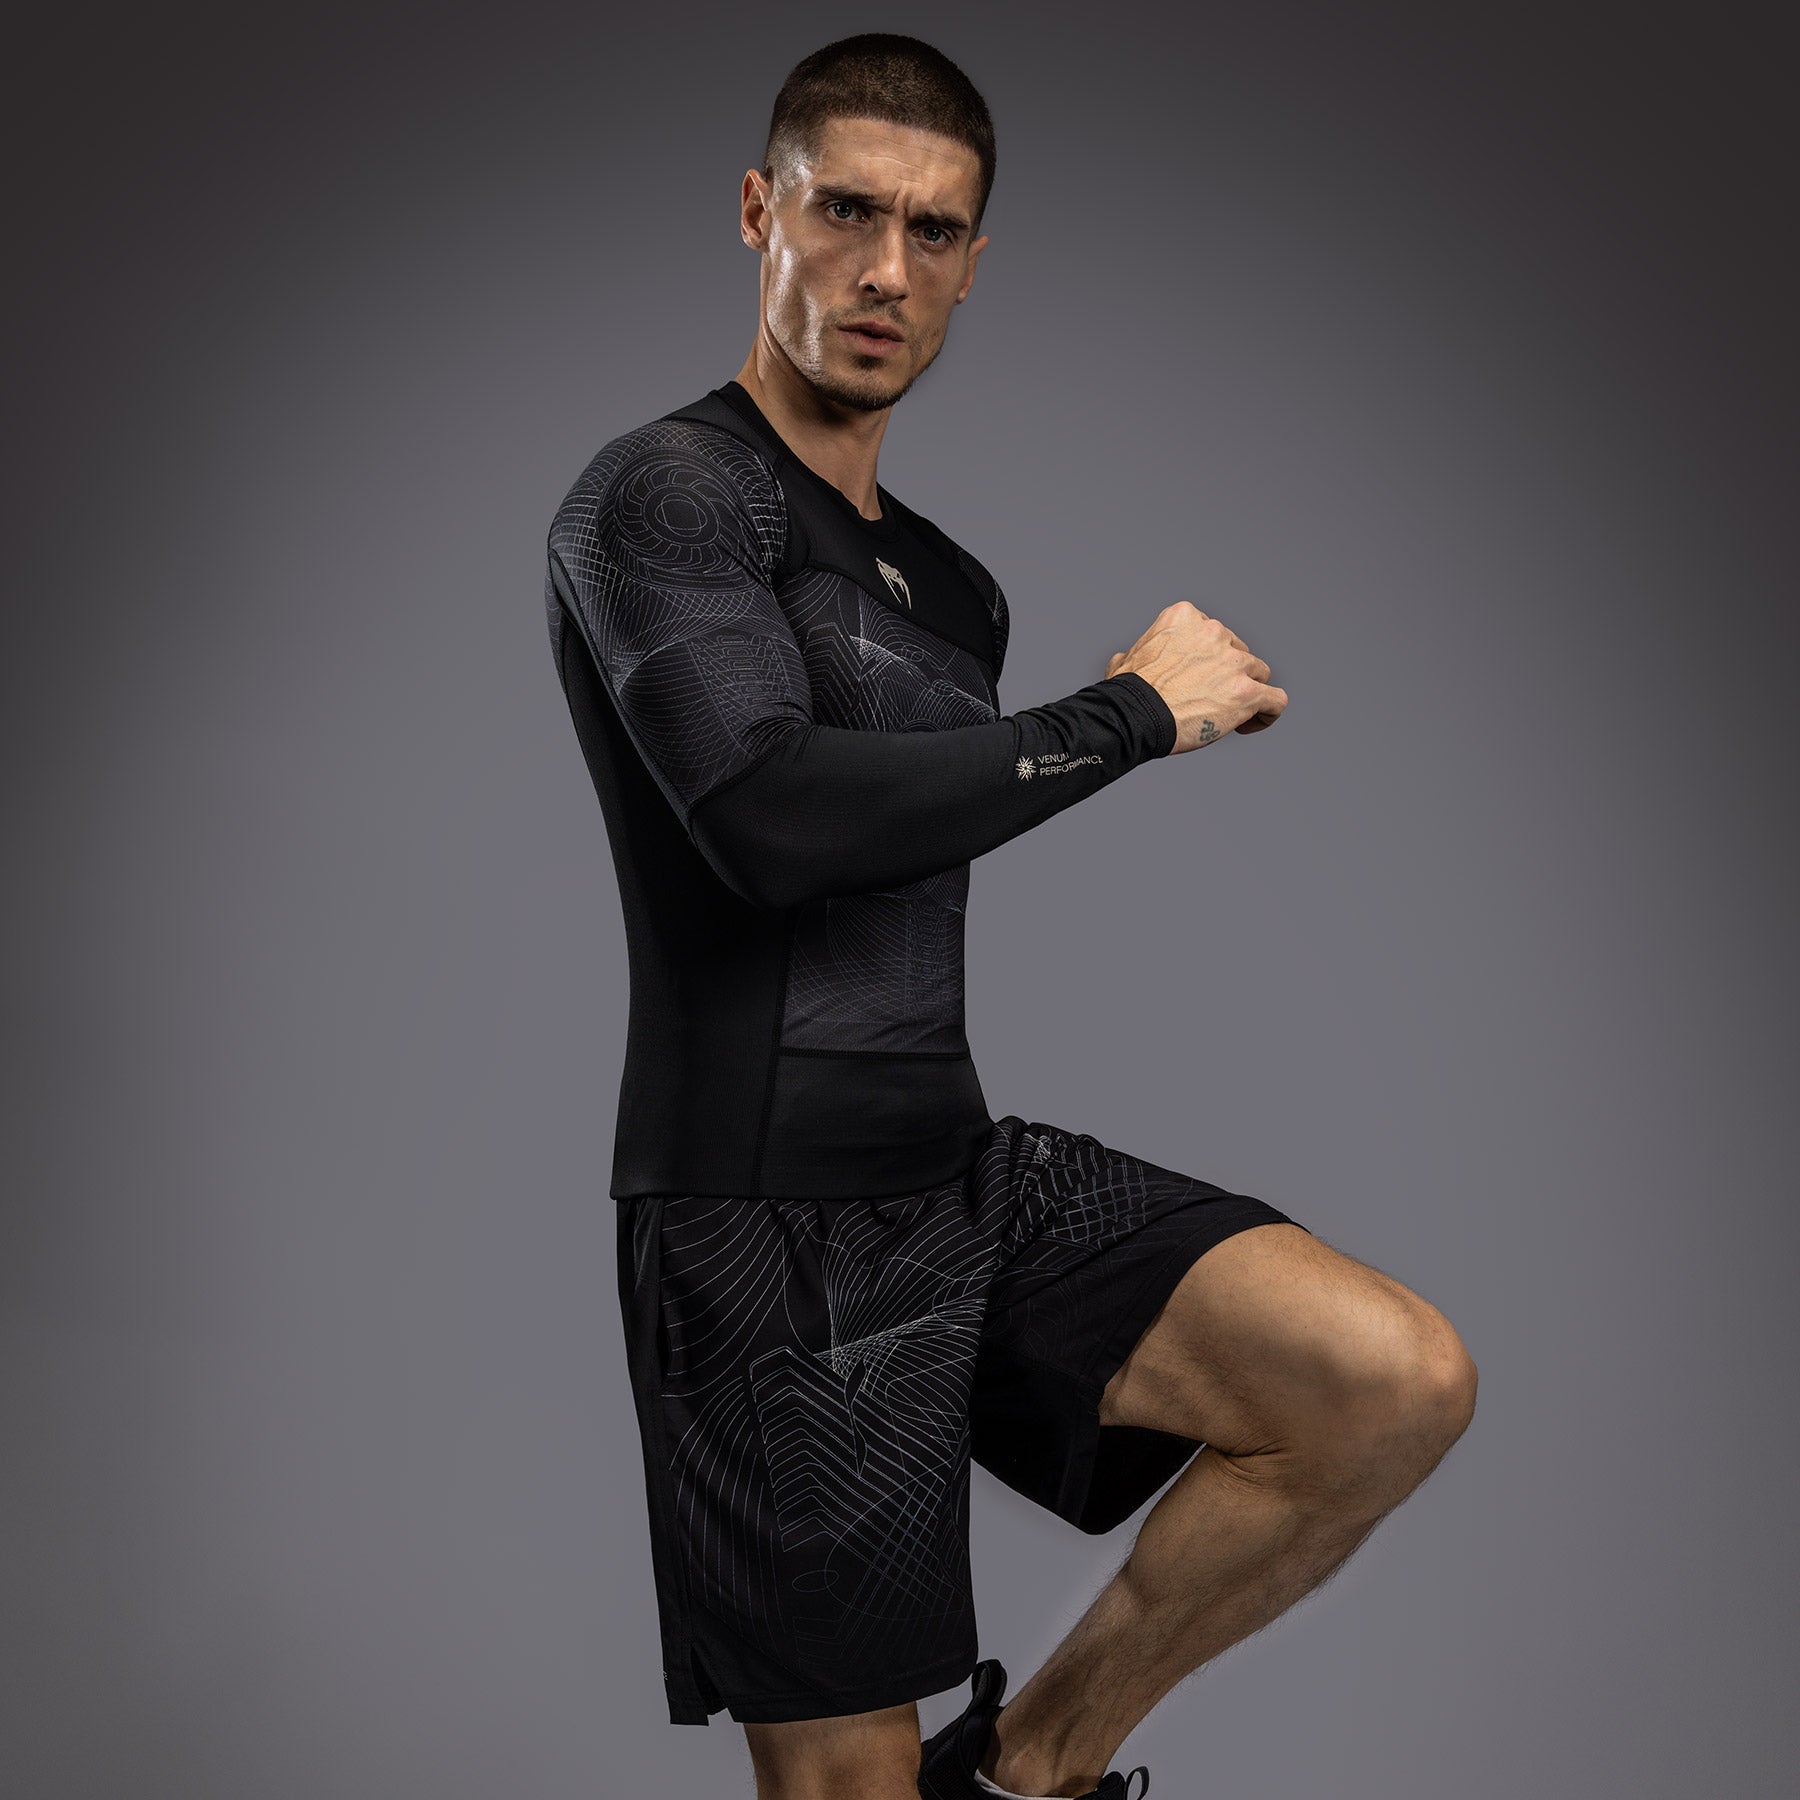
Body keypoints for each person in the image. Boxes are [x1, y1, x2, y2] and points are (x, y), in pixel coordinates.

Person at [542, 32, 1478, 1800]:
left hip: (956, 1178)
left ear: (975, 261)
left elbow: (923, 816)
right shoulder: (668, 494)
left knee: (1387, 1380)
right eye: (844, 212)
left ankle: (1027, 1770)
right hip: (761, 1224)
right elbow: (767, 824)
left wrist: (1099, 723)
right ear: (758, 212)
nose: (884, 270)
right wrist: (1127, 716)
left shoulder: (953, 584)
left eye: (933, 231)